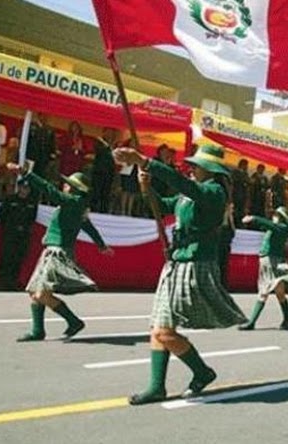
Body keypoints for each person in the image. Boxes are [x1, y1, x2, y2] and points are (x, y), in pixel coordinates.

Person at [112, 144, 247, 406]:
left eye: (196, 165)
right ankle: (157, 387)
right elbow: (160, 206)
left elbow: (187, 187)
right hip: (176, 263)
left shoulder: (214, 192)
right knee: (158, 328)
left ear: (211, 170)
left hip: (193, 266)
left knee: (164, 331)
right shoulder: (190, 193)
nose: (191, 168)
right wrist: (146, 187)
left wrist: (145, 161)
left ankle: (201, 371)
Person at [5, 162, 113, 342]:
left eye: (67, 184)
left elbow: (49, 190)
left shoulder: (74, 202)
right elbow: (89, 228)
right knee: (34, 291)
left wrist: (27, 173)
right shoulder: (75, 205)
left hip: (59, 252)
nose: (64, 186)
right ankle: (37, 330)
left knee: (42, 293)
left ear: (74, 188)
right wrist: (102, 245)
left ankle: (73, 321)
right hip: (51, 251)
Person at [238, 206, 288, 331]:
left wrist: (254, 218)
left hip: (272, 263)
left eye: (277, 215)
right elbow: (267, 225)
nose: (274, 217)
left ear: (282, 218)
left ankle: (252, 322)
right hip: (268, 262)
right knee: (279, 293)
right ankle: (286, 320)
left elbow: (267, 224)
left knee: (264, 292)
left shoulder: (282, 228)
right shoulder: (275, 228)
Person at [0, 183, 38, 290]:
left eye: (27, 188)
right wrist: (10, 227)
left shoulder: (32, 202)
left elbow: (32, 218)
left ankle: (13, 282)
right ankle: (2, 282)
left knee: (18, 258)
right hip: (11, 233)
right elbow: (2, 214)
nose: (25, 190)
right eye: (23, 187)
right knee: (7, 257)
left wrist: (25, 228)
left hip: (23, 234)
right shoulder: (10, 200)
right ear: (19, 188)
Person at [90, 128, 118, 213]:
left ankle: (103, 210)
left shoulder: (115, 145)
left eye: (112, 133)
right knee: (96, 191)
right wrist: (107, 145)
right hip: (99, 171)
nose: (110, 134)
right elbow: (98, 152)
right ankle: (93, 209)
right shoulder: (99, 142)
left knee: (106, 193)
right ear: (104, 133)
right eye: (108, 132)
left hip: (109, 172)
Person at [230, 159, 250, 227]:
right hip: (236, 195)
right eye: (246, 165)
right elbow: (233, 183)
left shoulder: (245, 174)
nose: (247, 167)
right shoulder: (235, 172)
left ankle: (239, 224)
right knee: (234, 211)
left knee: (241, 211)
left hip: (243, 196)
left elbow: (248, 183)